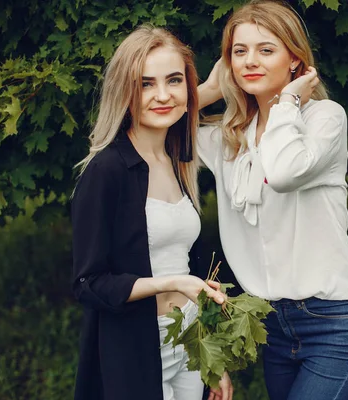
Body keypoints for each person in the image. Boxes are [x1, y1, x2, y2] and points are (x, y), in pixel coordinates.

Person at [197, 1, 348, 399]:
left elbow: (282, 173)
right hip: (271, 326)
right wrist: (211, 89)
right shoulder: (228, 138)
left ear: (296, 62)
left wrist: (288, 103)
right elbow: (145, 122)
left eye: (267, 50)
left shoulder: (324, 119)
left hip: (335, 321)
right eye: (239, 51)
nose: (251, 61)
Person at [71, 25, 232, 400]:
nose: (162, 95)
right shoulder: (107, 170)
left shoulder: (176, 159)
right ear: (124, 91)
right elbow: (88, 284)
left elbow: (188, 267)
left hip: (188, 340)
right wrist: (170, 283)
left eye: (174, 80)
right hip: (138, 346)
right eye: (145, 84)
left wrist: (213, 360)